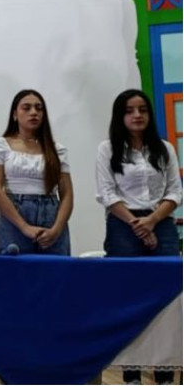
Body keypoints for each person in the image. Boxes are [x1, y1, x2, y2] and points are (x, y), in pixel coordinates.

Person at [95, 89, 180, 385]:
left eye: (142, 109)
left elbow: (175, 192)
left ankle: (165, 374)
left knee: (166, 300)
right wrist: (138, 225)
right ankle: (132, 375)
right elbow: (106, 193)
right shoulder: (108, 149)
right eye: (130, 110)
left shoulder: (165, 148)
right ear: (121, 116)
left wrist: (153, 221)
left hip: (162, 223)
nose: (137, 115)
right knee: (127, 299)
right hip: (123, 226)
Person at [0, 90, 72, 256]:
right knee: (14, 274)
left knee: (54, 275)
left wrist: (56, 229)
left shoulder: (56, 149)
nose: (33, 112)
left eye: (38, 108)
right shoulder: (1, 145)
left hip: (51, 214)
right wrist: (24, 227)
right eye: (26, 108)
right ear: (15, 114)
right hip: (14, 213)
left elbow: (67, 194)